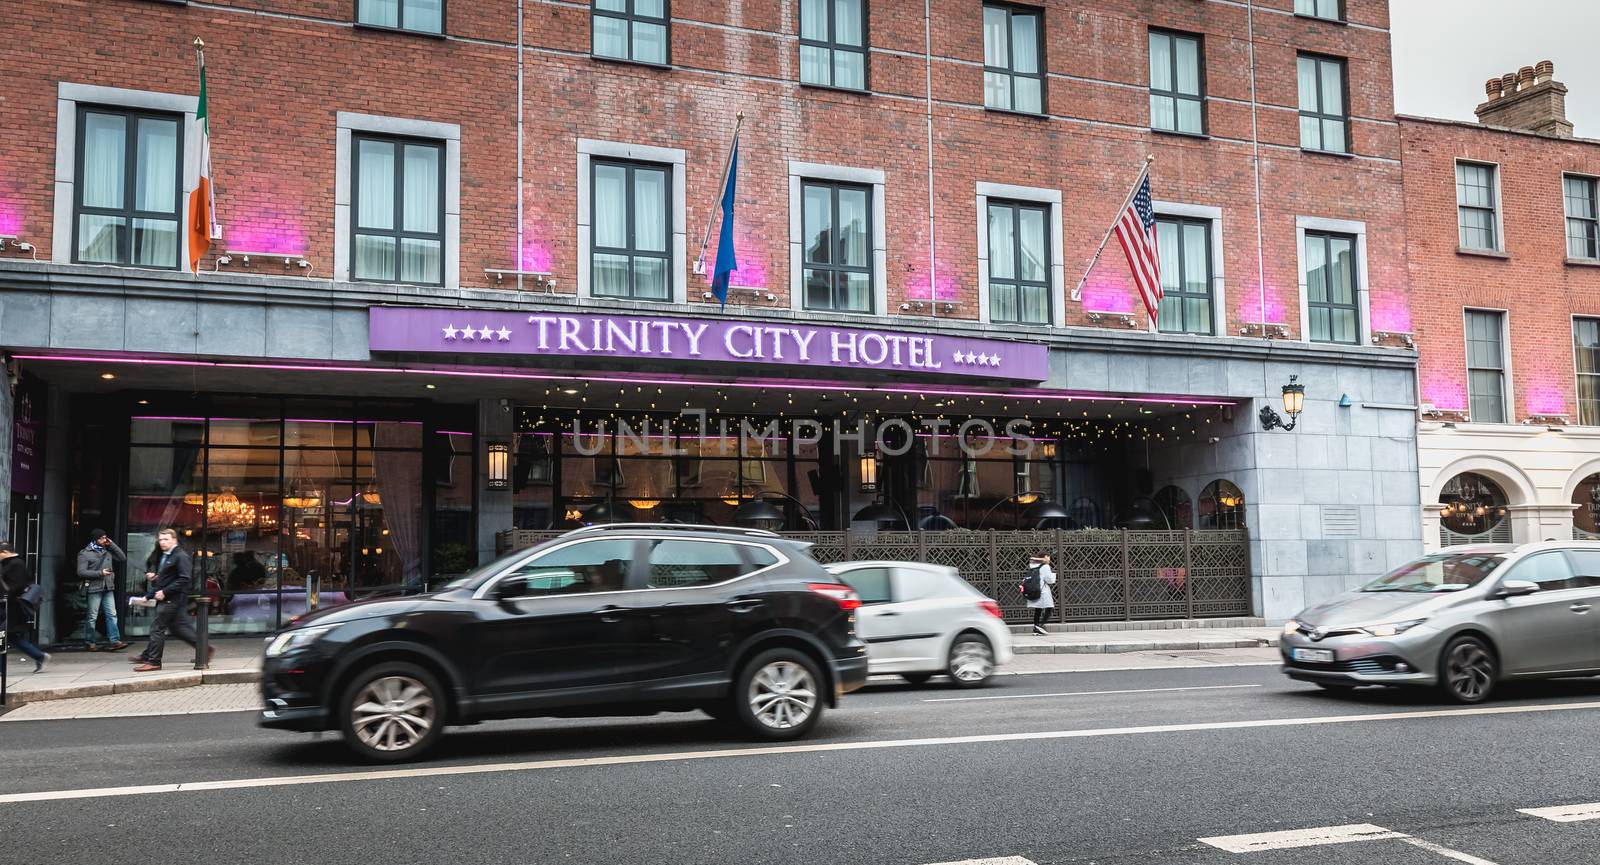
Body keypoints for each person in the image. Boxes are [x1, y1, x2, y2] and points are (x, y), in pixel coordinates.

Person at [131, 528, 212, 672]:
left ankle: (154, 661)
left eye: (166, 539)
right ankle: (205, 649)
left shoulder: (180, 556)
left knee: (157, 628)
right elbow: (166, 580)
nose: (162, 542)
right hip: (168, 598)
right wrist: (148, 596)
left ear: (174, 540)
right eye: (161, 540)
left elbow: (184, 579)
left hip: (172, 599)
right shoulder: (167, 556)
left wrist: (164, 591)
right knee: (178, 628)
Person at [0, 542, 50, 672]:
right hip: (8, 605)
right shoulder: (10, 563)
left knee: (5, 635)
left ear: (5, 552)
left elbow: (15, 587)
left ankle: (39, 656)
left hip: (12, 606)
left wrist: (5, 596)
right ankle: (39, 656)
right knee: (9, 636)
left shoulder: (16, 564)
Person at [77, 528, 128, 651]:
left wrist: (112, 544)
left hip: (108, 586)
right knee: (92, 616)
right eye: (101, 538)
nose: (104, 540)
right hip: (94, 588)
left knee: (112, 614)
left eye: (105, 537)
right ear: (95, 539)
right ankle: (90, 642)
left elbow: (122, 558)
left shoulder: (107, 550)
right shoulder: (84, 553)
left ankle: (115, 641)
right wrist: (100, 573)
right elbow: (81, 572)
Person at [1026, 554, 1057, 636]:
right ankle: (1041, 626)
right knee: (1049, 607)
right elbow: (1050, 580)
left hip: (1034, 590)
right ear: (1045, 557)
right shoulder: (1045, 567)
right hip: (1043, 591)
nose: (1049, 558)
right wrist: (1053, 575)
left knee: (1038, 609)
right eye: (1048, 556)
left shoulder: (1033, 565)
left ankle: (1036, 628)